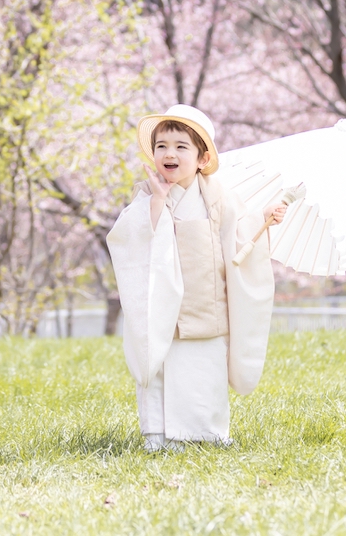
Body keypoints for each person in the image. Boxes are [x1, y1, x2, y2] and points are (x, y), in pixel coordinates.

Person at [106, 104, 285, 451]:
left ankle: (208, 433)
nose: (169, 154)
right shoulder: (147, 194)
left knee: (204, 372)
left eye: (180, 146)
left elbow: (238, 239)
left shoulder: (219, 198)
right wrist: (157, 202)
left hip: (206, 305)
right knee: (161, 367)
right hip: (164, 310)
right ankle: (159, 436)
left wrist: (262, 218)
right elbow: (132, 238)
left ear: (203, 158)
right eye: (161, 146)